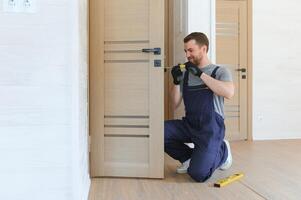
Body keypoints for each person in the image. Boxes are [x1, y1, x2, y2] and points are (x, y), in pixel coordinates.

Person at [164, 32, 234, 182]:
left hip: (210, 128)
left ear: (203, 49)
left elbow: (229, 92)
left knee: (198, 174)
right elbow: (175, 104)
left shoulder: (219, 71)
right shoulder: (186, 75)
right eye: (185, 51)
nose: (187, 55)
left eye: (191, 50)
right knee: (159, 132)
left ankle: (223, 151)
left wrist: (201, 75)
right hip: (190, 124)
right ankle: (188, 157)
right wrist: (176, 81)